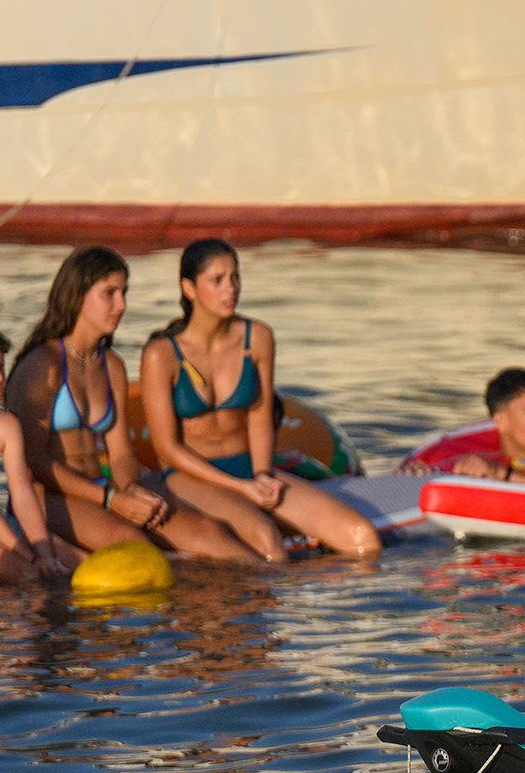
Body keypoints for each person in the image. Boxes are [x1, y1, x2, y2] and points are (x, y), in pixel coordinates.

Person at [5, 246, 258, 564]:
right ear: (77, 296)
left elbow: (121, 452)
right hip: (47, 496)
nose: (122, 305)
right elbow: (35, 462)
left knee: (210, 532)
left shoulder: (111, 366)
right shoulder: (43, 366)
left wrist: (130, 489)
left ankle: (267, 594)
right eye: (109, 293)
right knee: (136, 545)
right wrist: (111, 499)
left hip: (105, 487)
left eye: (123, 292)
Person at [137, 239, 380, 563]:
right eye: (217, 280)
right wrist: (241, 488)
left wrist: (263, 474)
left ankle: (336, 596)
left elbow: (260, 416)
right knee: (268, 543)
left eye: (235, 277)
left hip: (249, 467)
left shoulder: (258, 338)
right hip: (190, 478)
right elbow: (167, 449)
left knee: (362, 536)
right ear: (189, 288)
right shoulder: (161, 355)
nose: (231, 288)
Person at [0, 322, 82, 587]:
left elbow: (22, 494)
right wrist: (31, 557)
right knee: (30, 575)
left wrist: (45, 554)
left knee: (77, 563)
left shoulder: (6, 424)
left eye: (0, 366)